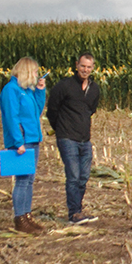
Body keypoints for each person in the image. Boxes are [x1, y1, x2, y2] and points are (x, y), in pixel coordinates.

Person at [45, 52, 101, 224]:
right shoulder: (64, 86)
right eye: (83, 66)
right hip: (67, 138)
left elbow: (90, 110)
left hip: (85, 139)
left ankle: (78, 209)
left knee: (83, 177)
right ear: (77, 65)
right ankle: (74, 213)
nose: (85, 69)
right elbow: (52, 111)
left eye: (89, 67)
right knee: (74, 176)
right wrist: (60, 128)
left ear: (93, 68)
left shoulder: (95, 89)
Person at [1, 57, 46, 234]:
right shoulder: (11, 90)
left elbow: (37, 111)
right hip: (23, 141)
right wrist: (18, 142)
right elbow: (11, 117)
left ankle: (27, 216)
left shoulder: (26, 91)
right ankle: (20, 218)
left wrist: (40, 91)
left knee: (29, 180)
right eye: (35, 72)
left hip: (33, 139)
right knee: (22, 181)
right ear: (27, 71)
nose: (37, 75)